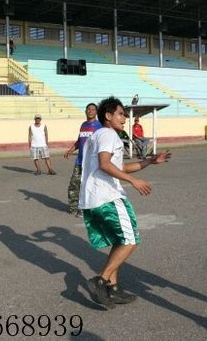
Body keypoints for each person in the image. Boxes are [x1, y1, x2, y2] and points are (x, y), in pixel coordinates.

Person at [79, 96, 171, 308]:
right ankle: (100, 281)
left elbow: (117, 167)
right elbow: (104, 164)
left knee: (122, 240)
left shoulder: (101, 136)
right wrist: (133, 181)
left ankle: (113, 288)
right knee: (131, 239)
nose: (124, 118)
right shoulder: (108, 134)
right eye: (121, 114)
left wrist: (149, 161)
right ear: (108, 116)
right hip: (107, 196)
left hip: (95, 198)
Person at [63, 103, 102, 217]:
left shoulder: (100, 126)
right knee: (74, 185)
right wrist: (70, 150)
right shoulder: (83, 125)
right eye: (88, 109)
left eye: (93, 110)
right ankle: (73, 207)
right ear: (85, 111)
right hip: (80, 161)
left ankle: (86, 209)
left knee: (89, 186)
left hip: (92, 163)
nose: (90, 111)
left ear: (96, 112)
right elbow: (79, 141)